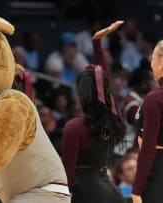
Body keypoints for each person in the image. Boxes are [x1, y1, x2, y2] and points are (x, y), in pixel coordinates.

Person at [62, 21, 126, 203]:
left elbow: (68, 174)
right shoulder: (112, 118)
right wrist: (97, 44)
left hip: (85, 194)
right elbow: (104, 81)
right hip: (112, 193)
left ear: (81, 94)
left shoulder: (74, 127)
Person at [132, 39, 163, 203]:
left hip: (157, 172)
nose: (151, 64)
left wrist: (136, 191)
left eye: (153, 58)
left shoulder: (155, 98)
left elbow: (148, 147)